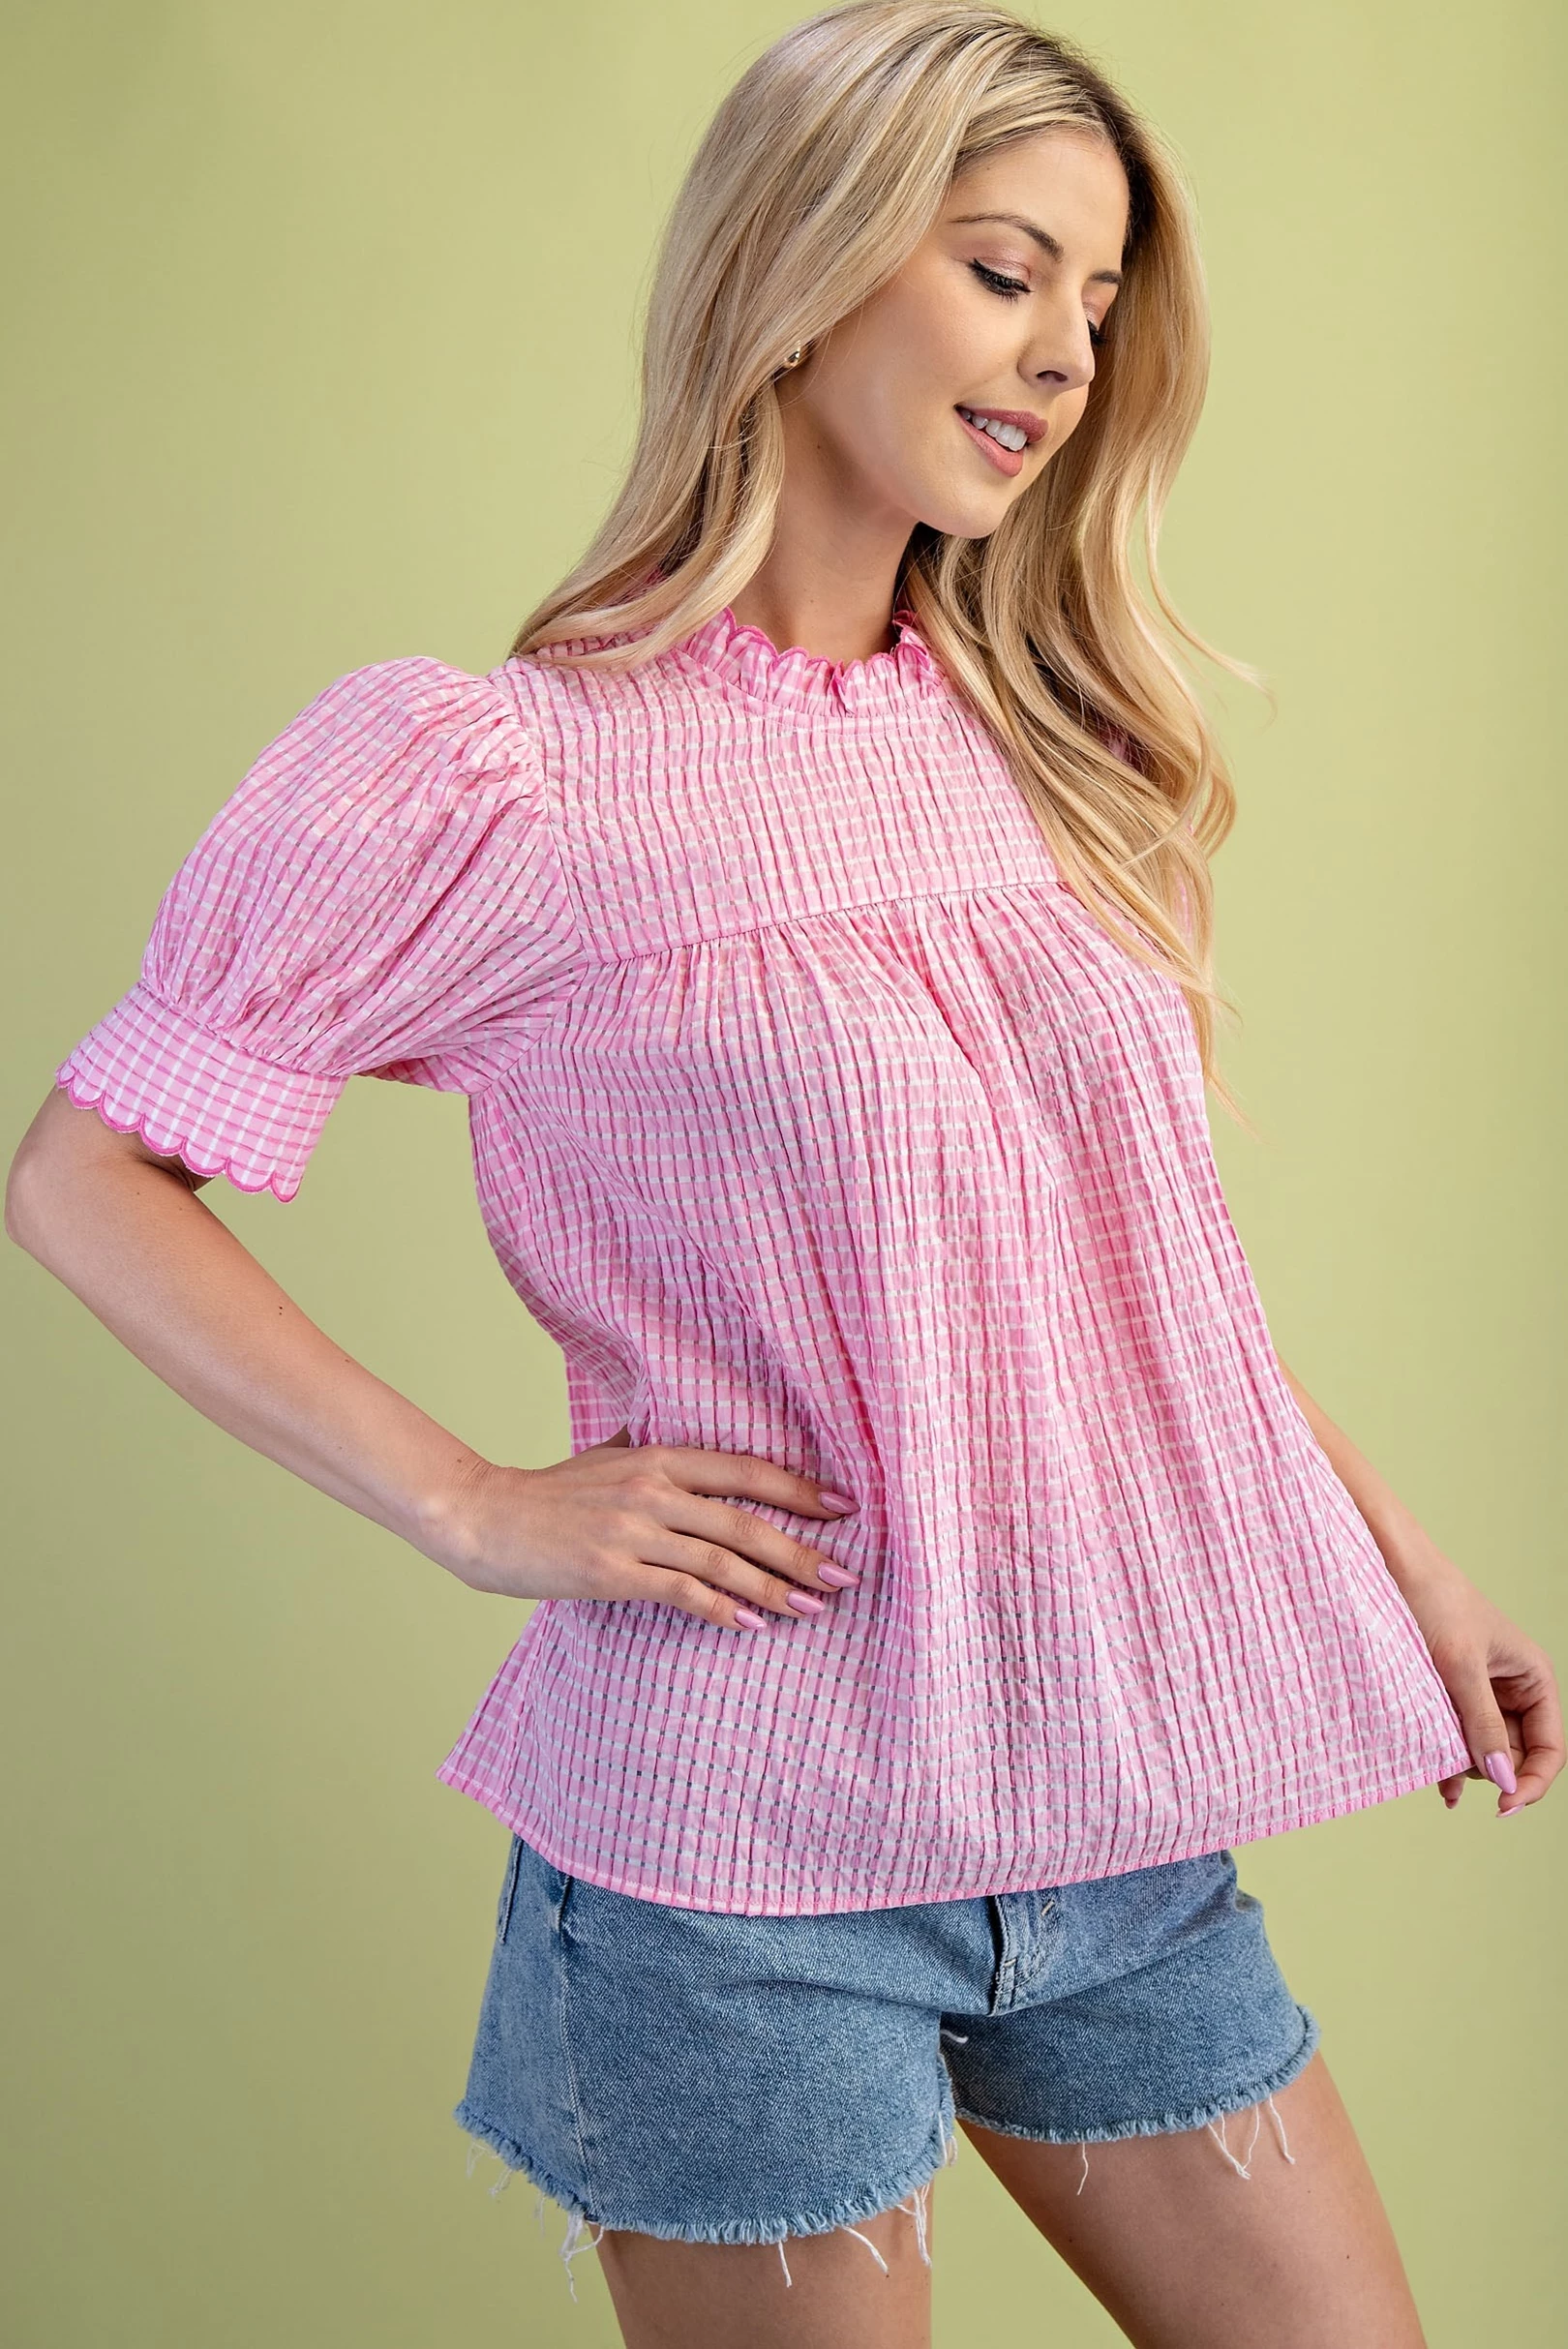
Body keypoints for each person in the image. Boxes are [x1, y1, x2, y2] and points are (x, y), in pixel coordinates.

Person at [8, 4, 1560, 2342]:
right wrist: (469, 1500)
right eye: (1006, 270)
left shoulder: (1048, 750)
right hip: (736, 1865)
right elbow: (86, 1171)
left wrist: (1403, 1562)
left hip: (1111, 1808)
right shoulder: (504, 777)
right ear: (808, 264)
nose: (1065, 353)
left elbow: (1124, 1284)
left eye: (1099, 301)